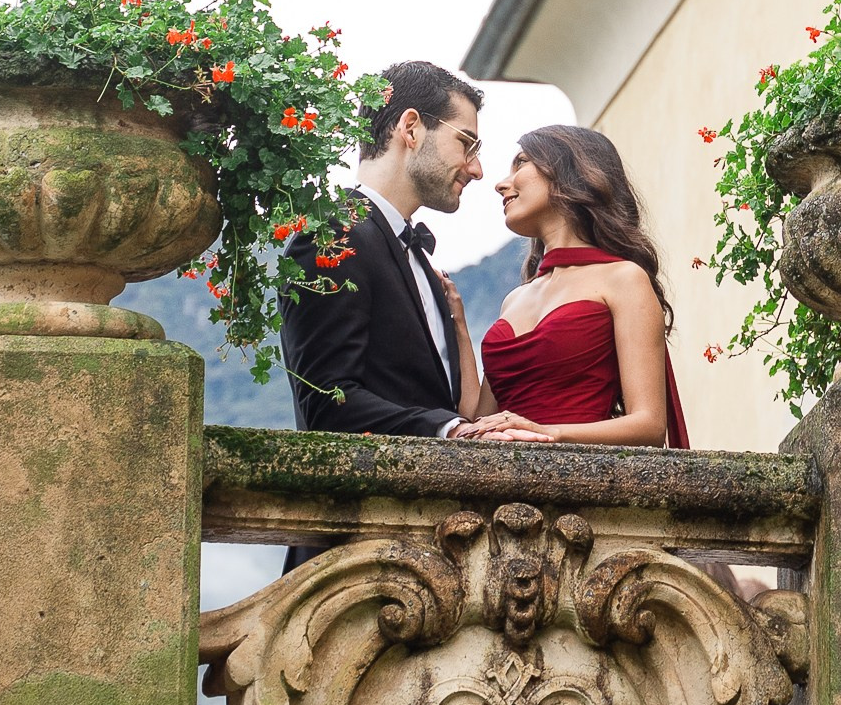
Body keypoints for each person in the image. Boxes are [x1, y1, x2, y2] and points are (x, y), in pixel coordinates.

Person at [279, 59, 487, 442]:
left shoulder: (423, 264)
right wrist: (448, 429)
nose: (477, 169)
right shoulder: (332, 236)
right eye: (466, 143)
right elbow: (326, 402)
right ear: (411, 128)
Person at [464, 122, 690, 447]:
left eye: (521, 162)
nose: (501, 184)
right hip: (500, 473)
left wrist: (547, 432)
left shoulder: (624, 279)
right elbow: (480, 423)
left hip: (581, 472)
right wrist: (458, 326)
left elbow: (650, 426)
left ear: (569, 171)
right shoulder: (513, 299)